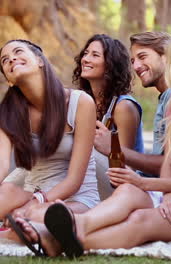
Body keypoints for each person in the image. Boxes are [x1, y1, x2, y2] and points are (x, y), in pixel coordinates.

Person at [16, 28, 171, 257]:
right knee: (128, 191)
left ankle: (64, 241)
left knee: (140, 219)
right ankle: (78, 225)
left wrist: (146, 183)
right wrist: (167, 195)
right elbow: (170, 162)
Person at [0, 39, 100, 253]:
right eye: (5, 60)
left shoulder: (81, 102)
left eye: (18, 52)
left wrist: (34, 203)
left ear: (40, 61)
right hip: (32, 192)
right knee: (5, 194)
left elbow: (75, 179)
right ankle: (29, 228)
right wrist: (23, 201)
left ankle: (26, 228)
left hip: (76, 197)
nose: (12, 59)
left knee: (44, 213)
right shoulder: (8, 114)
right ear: (9, 80)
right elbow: (0, 167)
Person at [73, 34, 144, 199]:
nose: (85, 59)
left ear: (110, 65)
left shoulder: (123, 106)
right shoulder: (84, 101)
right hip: (90, 179)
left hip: (122, 185)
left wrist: (109, 145)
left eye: (95, 55)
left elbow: (126, 166)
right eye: (85, 53)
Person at [94, 31, 171, 178]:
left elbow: (170, 166)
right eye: (132, 61)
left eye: (142, 57)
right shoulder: (165, 98)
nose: (136, 66)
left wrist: (113, 147)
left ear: (166, 56)